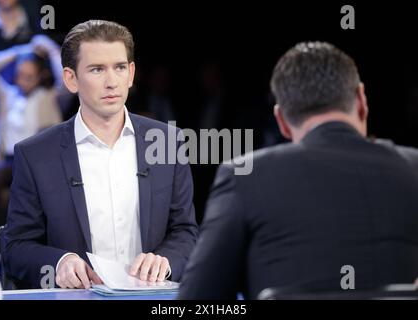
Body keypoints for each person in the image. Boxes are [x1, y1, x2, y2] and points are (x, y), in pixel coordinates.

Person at [178, 42, 418, 299]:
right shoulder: (413, 168)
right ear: (361, 100)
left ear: (281, 120)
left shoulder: (244, 176)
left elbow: (196, 300)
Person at [0, 20, 198, 289]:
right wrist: (60, 262)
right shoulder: (35, 154)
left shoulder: (167, 141)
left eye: (119, 68)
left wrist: (166, 259)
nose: (111, 82)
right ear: (71, 79)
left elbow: (185, 231)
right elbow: (16, 247)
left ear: (131, 73)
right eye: (97, 69)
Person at [0, 34, 64, 250]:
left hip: (35, 165)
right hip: (7, 162)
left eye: (29, 76)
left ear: (40, 76)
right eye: (20, 75)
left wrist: (51, 51)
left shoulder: (49, 98)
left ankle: (9, 252)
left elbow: (67, 83)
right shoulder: (7, 95)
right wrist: (18, 50)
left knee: (5, 202)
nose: (22, 81)